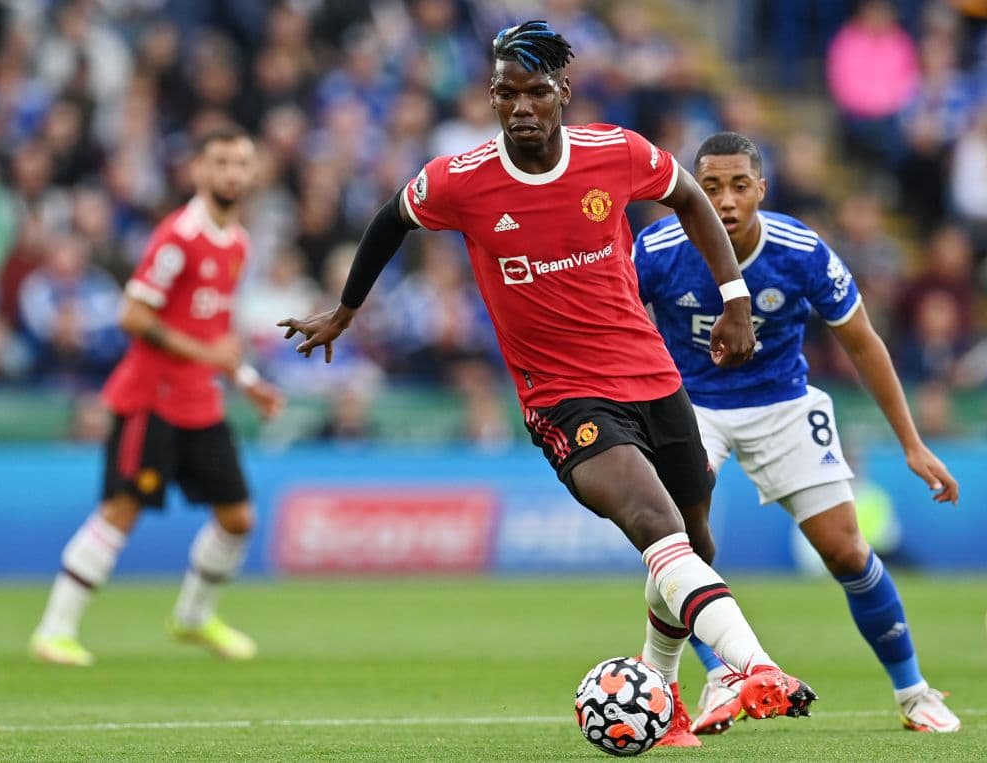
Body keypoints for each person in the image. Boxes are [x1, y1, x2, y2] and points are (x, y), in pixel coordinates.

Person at [278, 21, 816, 748]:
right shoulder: (460, 178)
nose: (521, 107)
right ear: (492, 97)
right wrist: (345, 311)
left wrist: (736, 297)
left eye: (535, 92)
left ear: (564, 92)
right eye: (506, 93)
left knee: (693, 543)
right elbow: (388, 220)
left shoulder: (616, 153)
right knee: (656, 525)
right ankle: (750, 667)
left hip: (653, 378)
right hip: (563, 397)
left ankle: (667, 701)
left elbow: (690, 197)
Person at [633, 131, 961, 735]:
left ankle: (915, 693)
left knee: (846, 550)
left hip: (784, 405)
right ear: (688, 193)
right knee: (682, 547)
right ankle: (718, 676)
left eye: (738, 186)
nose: (725, 200)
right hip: (692, 409)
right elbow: (617, 330)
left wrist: (912, 443)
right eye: (709, 188)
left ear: (761, 188)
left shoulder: (800, 250)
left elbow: (863, 341)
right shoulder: (655, 249)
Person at [30, 124, 285, 666]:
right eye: (220, 163)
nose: (232, 174)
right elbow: (133, 314)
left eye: (241, 164)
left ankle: (193, 616)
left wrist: (246, 382)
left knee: (238, 518)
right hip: (152, 396)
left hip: (201, 400)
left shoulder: (238, 243)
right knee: (122, 509)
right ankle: (55, 629)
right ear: (197, 170)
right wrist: (204, 353)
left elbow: (216, 334)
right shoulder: (178, 236)